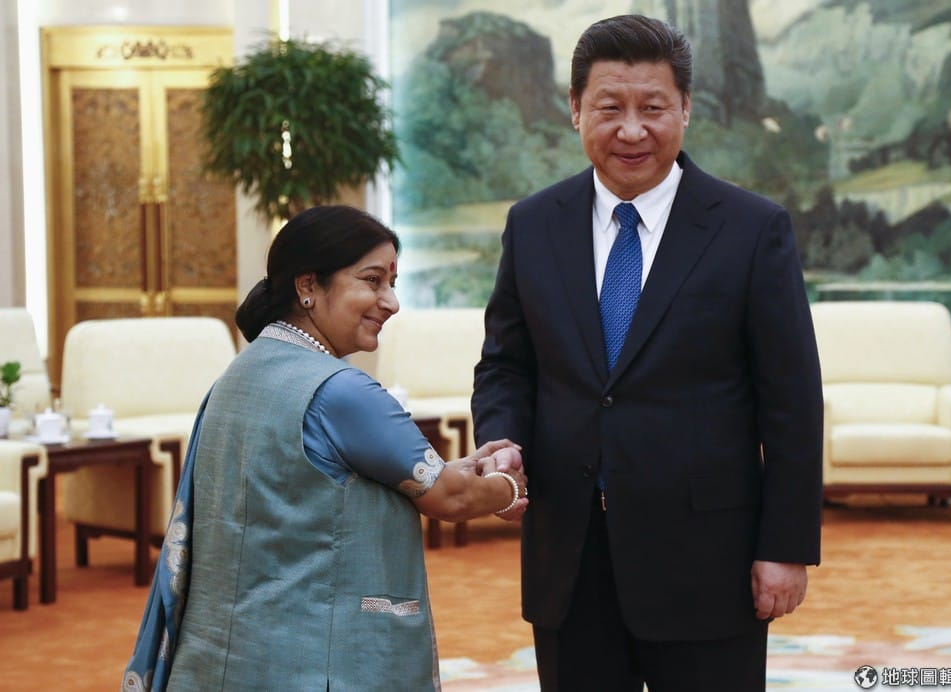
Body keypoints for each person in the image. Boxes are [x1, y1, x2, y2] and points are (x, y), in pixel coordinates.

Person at [471, 15, 823, 692]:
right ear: (575, 110)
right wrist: (503, 440)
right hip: (569, 558)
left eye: (653, 108)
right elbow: (507, 364)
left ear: (685, 108)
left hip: (708, 562)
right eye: (610, 108)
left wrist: (785, 548)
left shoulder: (752, 229)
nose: (631, 131)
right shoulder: (534, 224)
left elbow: (792, 402)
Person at [121, 205, 528, 692]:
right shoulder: (340, 391)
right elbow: (451, 497)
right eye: (372, 281)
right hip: (318, 661)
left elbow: (330, 479)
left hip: (226, 660)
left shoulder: (239, 375)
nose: (391, 302)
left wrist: (465, 467)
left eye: (392, 282)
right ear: (308, 285)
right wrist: (507, 485)